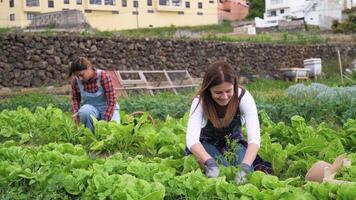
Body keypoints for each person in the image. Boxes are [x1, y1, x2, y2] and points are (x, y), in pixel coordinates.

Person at [186, 60, 270, 184]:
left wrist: (245, 166)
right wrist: (208, 161)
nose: (224, 96)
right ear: (208, 89)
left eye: (228, 91)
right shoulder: (200, 101)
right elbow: (192, 140)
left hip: (234, 142)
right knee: (220, 171)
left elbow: (254, 140)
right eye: (218, 92)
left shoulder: (243, 97)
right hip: (207, 143)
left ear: (234, 86)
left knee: (247, 174)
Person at [68, 57, 120, 132]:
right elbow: (75, 98)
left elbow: (112, 100)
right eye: (77, 76)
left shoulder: (103, 76)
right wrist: (76, 112)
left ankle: (101, 131)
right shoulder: (76, 81)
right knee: (84, 112)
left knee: (113, 130)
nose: (80, 78)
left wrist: (104, 122)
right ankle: (91, 135)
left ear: (89, 67)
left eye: (81, 75)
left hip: (108, 109)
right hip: (92, 109)